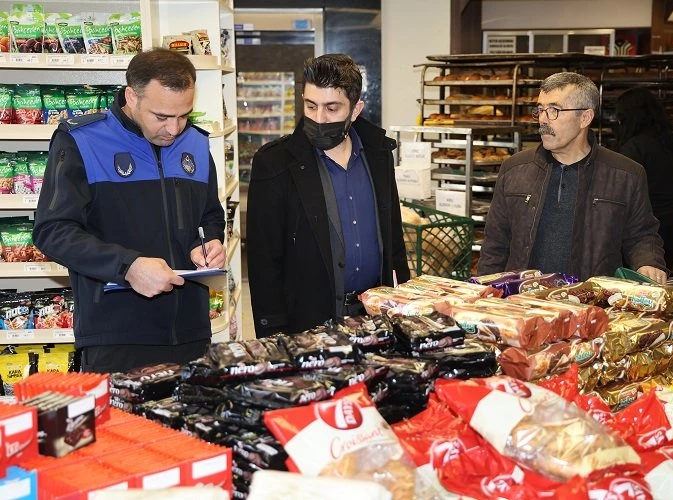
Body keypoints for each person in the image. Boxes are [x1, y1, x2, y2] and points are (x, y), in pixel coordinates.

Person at [32, 48, 226, 373]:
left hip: (191, 331)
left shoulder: (195, 142)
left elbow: (210, 215)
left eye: (183, 115)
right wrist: (128, 266)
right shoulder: (82, 141)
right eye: (161, 117)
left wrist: (209, 243)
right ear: (132, 96)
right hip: (116, 335)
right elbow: (52, 231)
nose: (174, 129)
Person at [247, 53, 409, 338]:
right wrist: (275, 336)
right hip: (309, 325)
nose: (319, 119)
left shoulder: (379, 156)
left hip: (375, 318)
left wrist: (402, 308)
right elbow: (264, 262)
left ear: (356, 110)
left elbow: (393, 239)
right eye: (311, 106)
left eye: (332, 108)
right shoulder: (274, 164)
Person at [478, 72, 668, 283]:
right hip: (523, 299)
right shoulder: (514, 169)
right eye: (540, 110)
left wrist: (648, 262)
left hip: (590, 299)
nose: (543, 119)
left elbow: (642, 235)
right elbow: (495, 244)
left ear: (585, 117)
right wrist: (483, 291)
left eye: (554, 110)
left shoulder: (625, 174)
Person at [615, 87, 673, 269]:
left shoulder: (634, 148)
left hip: (646, 229)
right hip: (671, 221)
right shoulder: (669, 141)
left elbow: (623, 190)